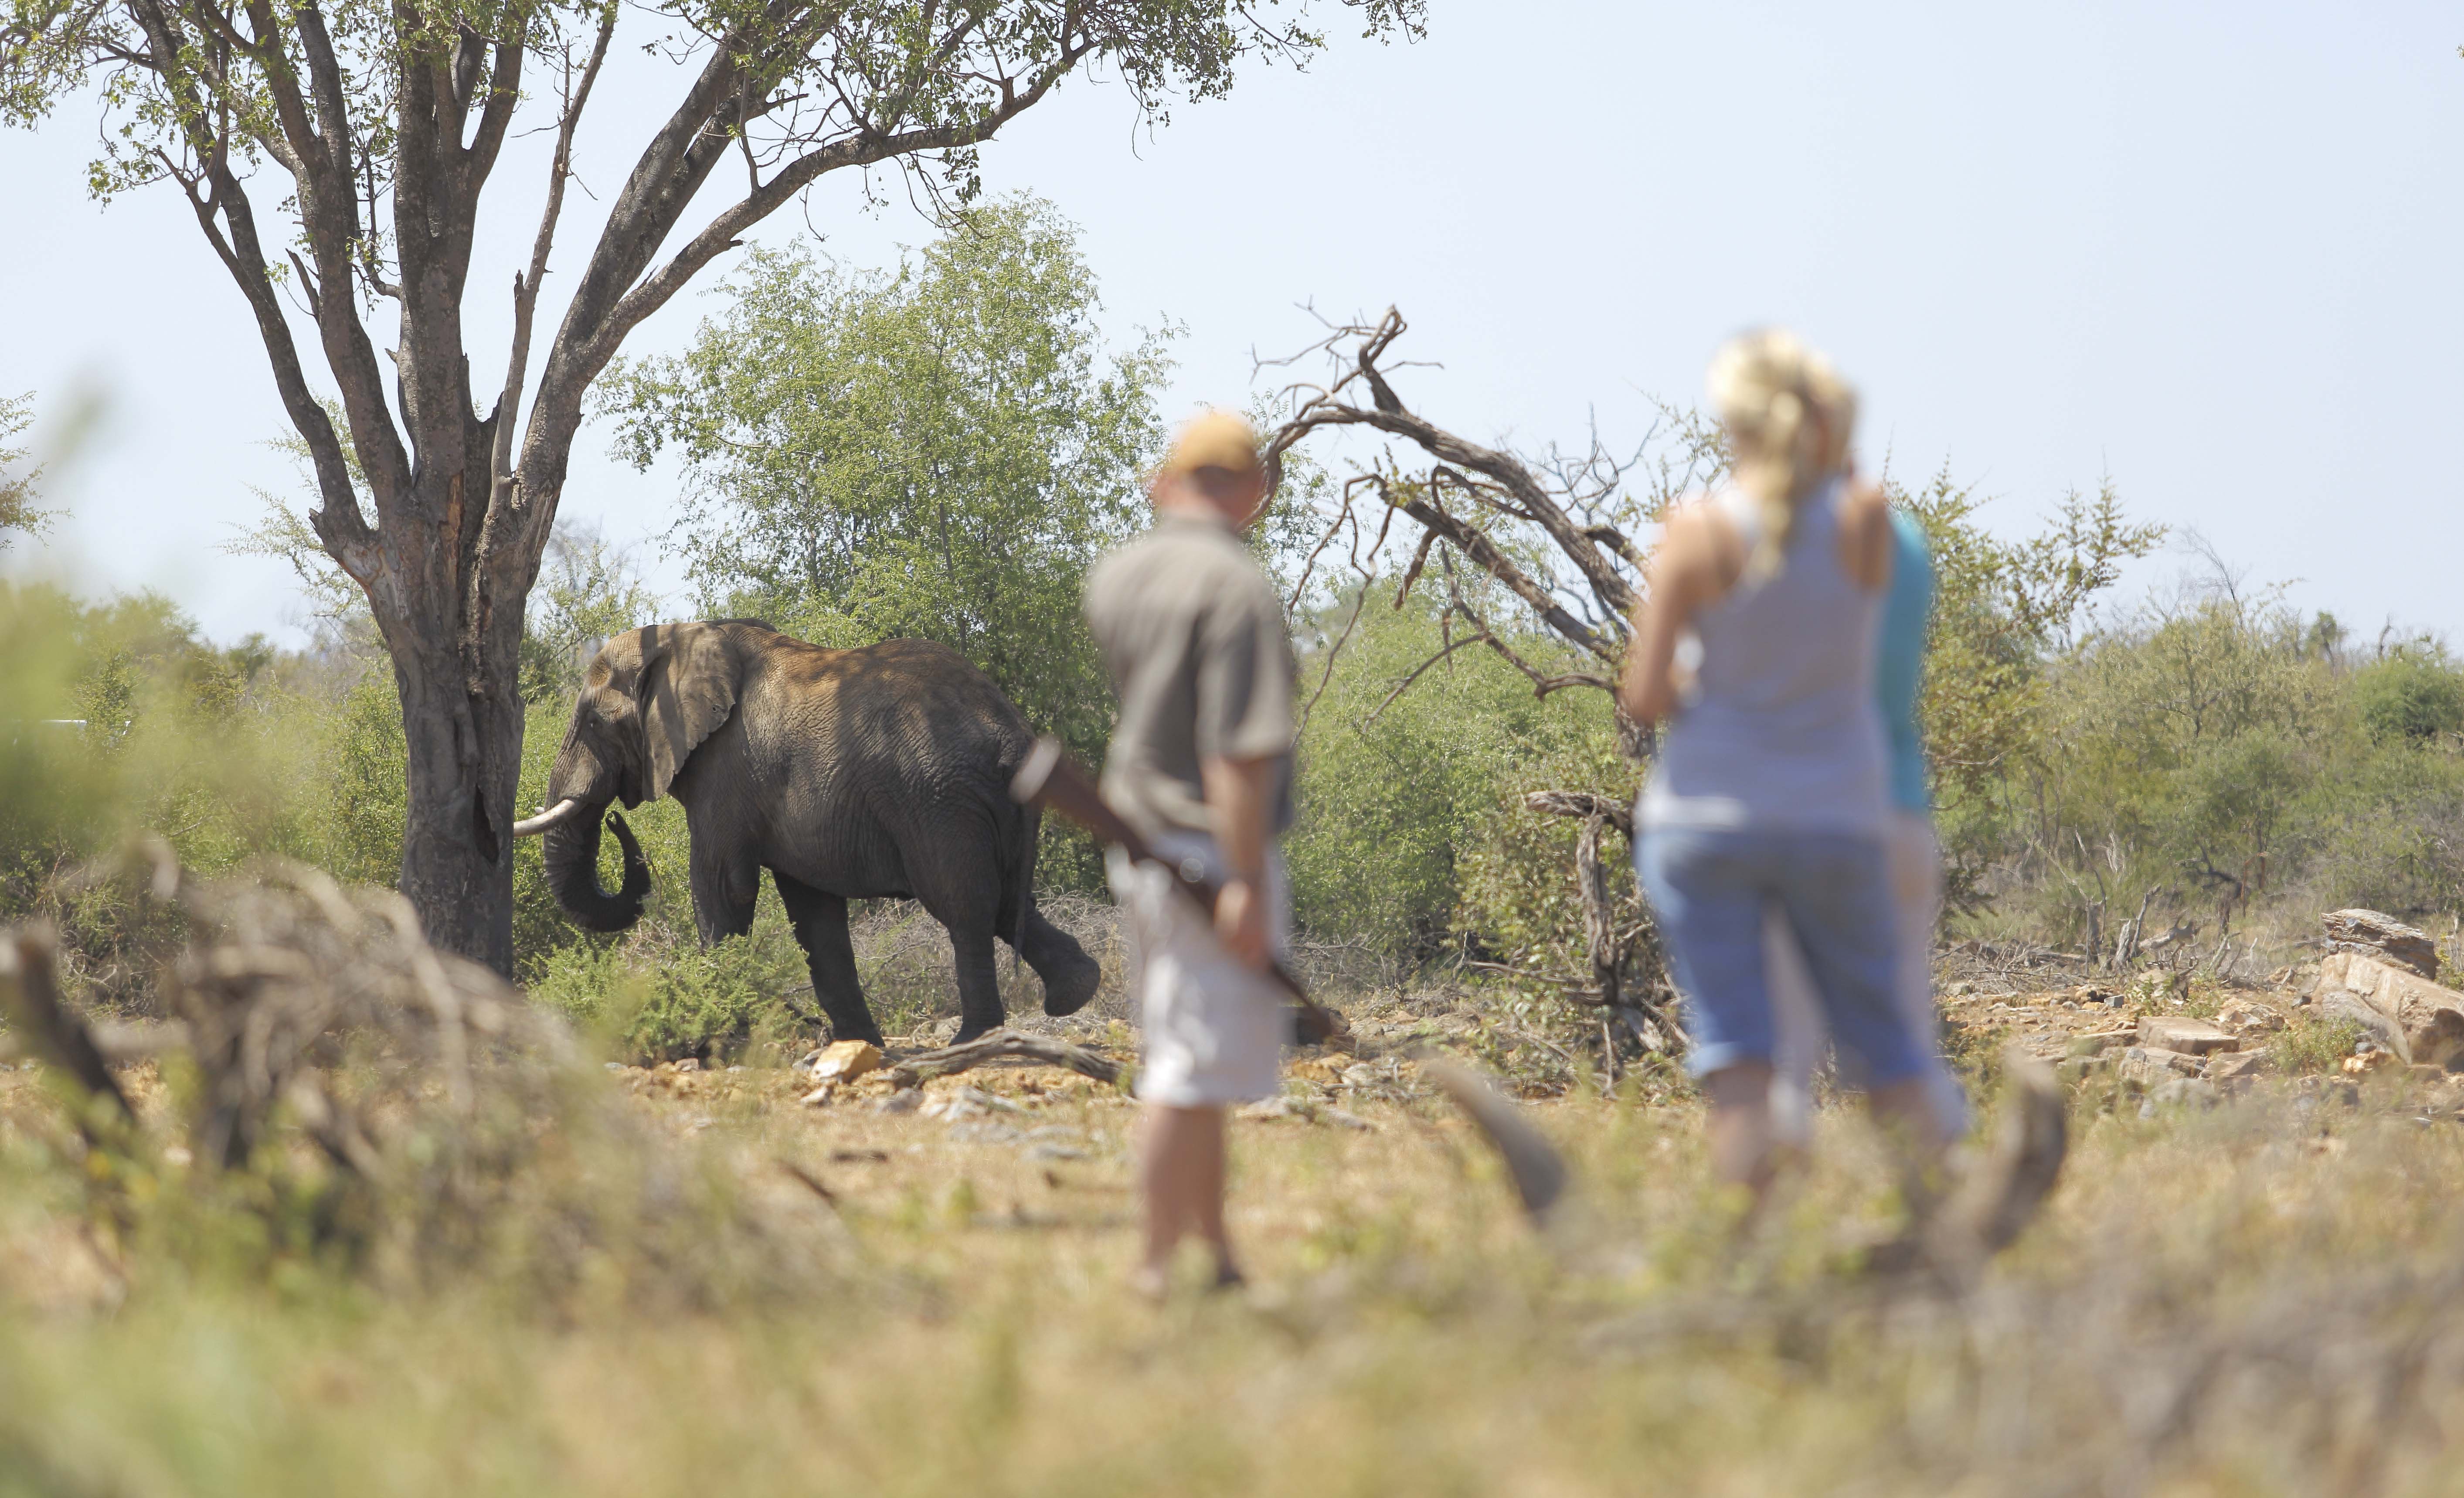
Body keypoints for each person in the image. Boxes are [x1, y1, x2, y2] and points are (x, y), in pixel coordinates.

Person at [1618, 330, 1947, 1213]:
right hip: (1836, 816)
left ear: (1735, 423)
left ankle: (1758, 1254)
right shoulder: (1870, 522)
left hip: (1705, 819)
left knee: (1739, 1057)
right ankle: (1949, 1233)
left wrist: (1703, 679)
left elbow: (1644, 693)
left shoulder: (1694, 529)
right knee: (1886, 1043)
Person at [1084, 409, 1296, 1298]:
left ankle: (1214, 1253)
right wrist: (1243, 876)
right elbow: (1234, 751)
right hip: (1209, 846)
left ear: (1163, 483)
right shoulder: (1234, 586)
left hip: (1139, 843)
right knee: (1180, 1066)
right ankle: (1157, 1265)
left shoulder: (1120, 574)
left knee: (1197, 1055)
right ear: (1251, 491)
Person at [1766, 499, 1971, 1149]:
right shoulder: (1902, 541)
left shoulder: (1765, 542)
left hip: (1799, 812)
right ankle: (1947, 1210)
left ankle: (1770, 1224)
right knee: (1906, 1043)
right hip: (1898, 808)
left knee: (1786, 1052)